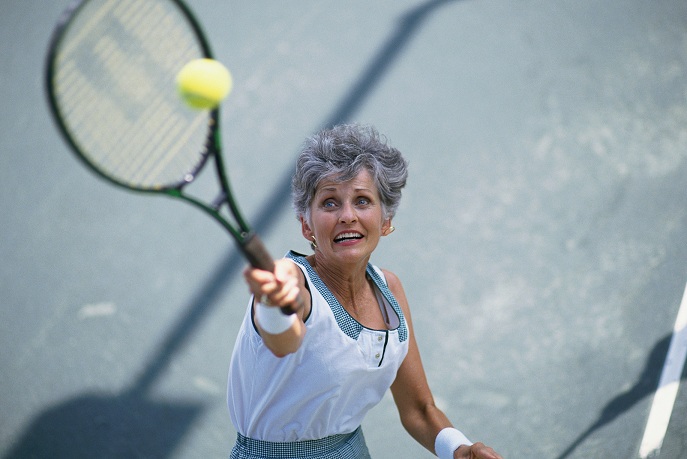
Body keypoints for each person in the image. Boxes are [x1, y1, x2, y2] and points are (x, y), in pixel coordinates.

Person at [228, 124, 503, 459]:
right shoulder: (292, 279)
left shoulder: (391, 290)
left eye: (362, 200)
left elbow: (418, 408)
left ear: (385, 221)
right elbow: (284, 340)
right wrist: (275, 302)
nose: (347, 216)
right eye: (330, 203)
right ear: (306, 225)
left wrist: (458, 448)